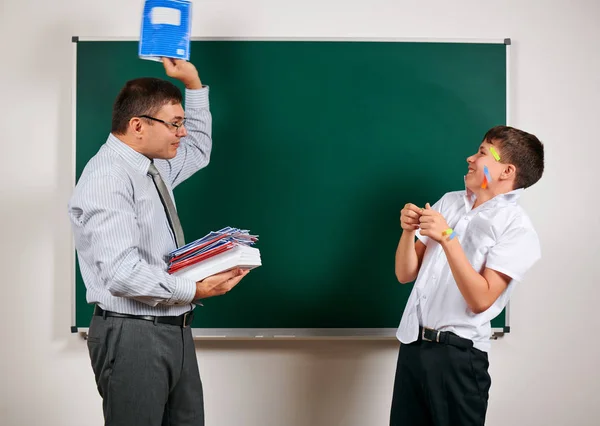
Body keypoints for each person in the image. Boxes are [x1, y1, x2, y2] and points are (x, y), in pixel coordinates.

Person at [68, 58, 249, 426]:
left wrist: (194, 84)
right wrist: (194, 288)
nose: (181, 133)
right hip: (133, 335)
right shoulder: (108, 179)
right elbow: (122, 273)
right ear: (137, 126)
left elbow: (197, 150)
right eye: (175, 124)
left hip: (174, 328)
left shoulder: (150, 166)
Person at [390, 125, 544, 426]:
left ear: (506, 171)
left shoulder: (516, 227)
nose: (470, 158)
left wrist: (448, 237)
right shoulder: (449, 202)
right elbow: (405, 273)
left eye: (483, 153)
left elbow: (481, 299)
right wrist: (408, 232)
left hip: (458, 357)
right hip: (413, 346)